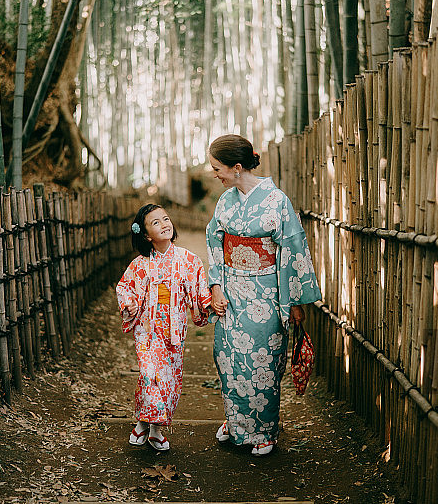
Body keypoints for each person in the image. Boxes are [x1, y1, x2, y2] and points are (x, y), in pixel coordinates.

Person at [206, 134, 321, 456]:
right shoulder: (226, 201)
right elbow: (215, 240)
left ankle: (263, 432)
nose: (214, 174)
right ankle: (235, 422)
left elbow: (293, 248)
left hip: (267, 294)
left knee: (263, 364)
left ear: (237, 167)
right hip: (231, 292)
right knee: (228, 360)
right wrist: (216, 286)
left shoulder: (276, 200)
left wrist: (295, 302)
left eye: (218, 168)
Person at [116, 204, 212, 451]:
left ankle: (153, 427)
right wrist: (129, 303)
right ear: (146, 235)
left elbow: (200, 291)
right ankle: (145, 426)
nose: (164, 224)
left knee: (169, 380)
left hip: (173, 332)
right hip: (147, 332)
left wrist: (209, 304)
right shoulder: (139, 264)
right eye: (156, 222)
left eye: (166, 219)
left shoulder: (188, 260)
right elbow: (124, 287)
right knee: (149, 375)